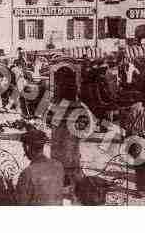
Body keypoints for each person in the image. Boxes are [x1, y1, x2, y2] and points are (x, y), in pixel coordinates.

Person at [50, 66, 86, 198]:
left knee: (65, 153)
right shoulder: (74, 102)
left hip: (62, 150)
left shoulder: (58, 101)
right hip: (68, 151)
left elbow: (51, 120)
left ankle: (66, 181)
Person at [16, 129, 64, 205]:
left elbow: (20, 204)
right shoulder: (58, 166)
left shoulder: (27, 173)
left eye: (23, 147)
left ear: (27, 147)